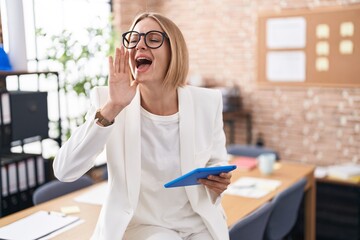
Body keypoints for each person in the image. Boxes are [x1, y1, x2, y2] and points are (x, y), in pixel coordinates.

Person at [53, 12, 232, 240]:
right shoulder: (107, 101)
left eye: (153, 39)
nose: (140, 46)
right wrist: (113, 107)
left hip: (197, 224)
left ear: (174, 50)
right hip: (141, 228)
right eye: (134, 39)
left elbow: (216, 160)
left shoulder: (207, 102)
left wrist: (219, 181)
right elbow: (64, 170)